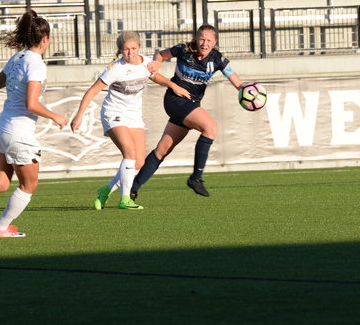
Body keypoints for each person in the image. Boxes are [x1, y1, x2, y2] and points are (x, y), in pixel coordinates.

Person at [70, 31, 190, 210]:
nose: (130, 53)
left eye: (133, 48)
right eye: (126, 49)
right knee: (130, 154)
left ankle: (105, 190)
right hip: (113, 113)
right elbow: (92, 91)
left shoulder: (146, 63)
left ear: (139, 48)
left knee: (138, 162)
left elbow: (154, 76)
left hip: (133, 116)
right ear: (120, 50)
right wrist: (79, 115)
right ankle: (125, 199)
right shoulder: (116, 69)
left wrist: (173, 86)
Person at [130, 24, 244, 200]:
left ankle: (132, 189)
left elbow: (238, 83)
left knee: (162, 150)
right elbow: (161, 54)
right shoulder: (183, 49)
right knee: (210, 128)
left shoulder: (218, 59)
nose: (204, 43)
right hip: (175, 100)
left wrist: (252, 91)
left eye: (209, 40)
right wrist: (157, 62)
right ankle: (196, 178)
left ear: (215, 42)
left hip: (190, 104)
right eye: (201, 39)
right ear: (196, 38)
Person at [0, 9, 68, 238]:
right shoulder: (36, 64)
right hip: (18, 133)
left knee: (1, 183)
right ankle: (1, 228)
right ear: (46, 38)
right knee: (29, 186)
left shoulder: (17, 58)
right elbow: (31, 104)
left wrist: (14, 78)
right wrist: (55, 116)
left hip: (2, 128)